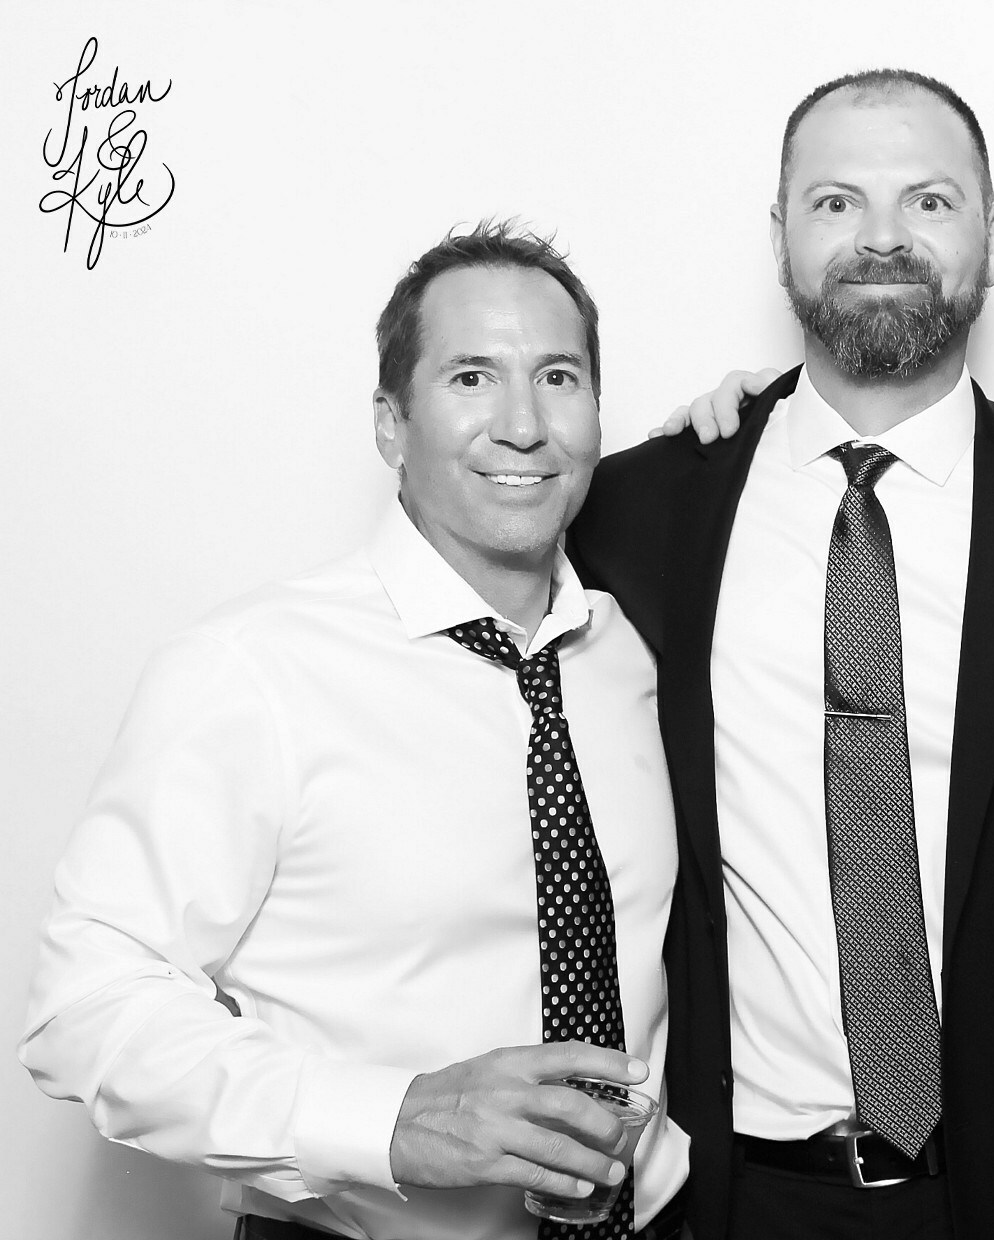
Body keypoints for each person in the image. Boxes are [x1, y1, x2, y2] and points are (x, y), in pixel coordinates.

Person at [568, 70, 994, 1240]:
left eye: (928, 202)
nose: (882, 237)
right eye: (836, 201)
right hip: (734, 1198)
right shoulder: (639, 512)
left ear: (992, 238)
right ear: (780, 237)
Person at [19, 223, 690, 1240]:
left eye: (557, 377)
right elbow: (84, 1008)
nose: (523, 424)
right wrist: (389, 1120)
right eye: (471, 377)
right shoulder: (253, 671)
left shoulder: (631, 651)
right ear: (390, 424)